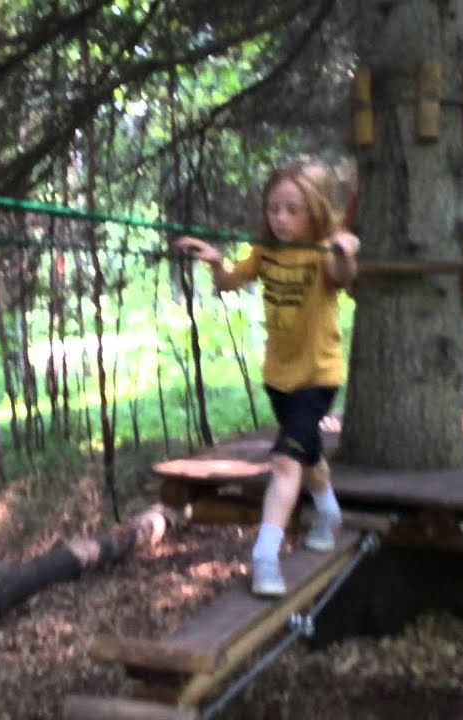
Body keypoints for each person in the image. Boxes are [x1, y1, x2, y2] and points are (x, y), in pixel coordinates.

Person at [175, 159, 360, 597]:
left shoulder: (323, 252)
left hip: (318, 374)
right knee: (307, 453)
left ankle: (265, 555)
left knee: (284, 460)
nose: (280, 218)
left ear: (315, 210)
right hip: (278, 376)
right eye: (274, 208)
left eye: (292, 209)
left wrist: (345, 250)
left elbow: (343, 276)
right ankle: (329, 512)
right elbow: (230, 282)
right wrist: (217, 263)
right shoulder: (266, 251)